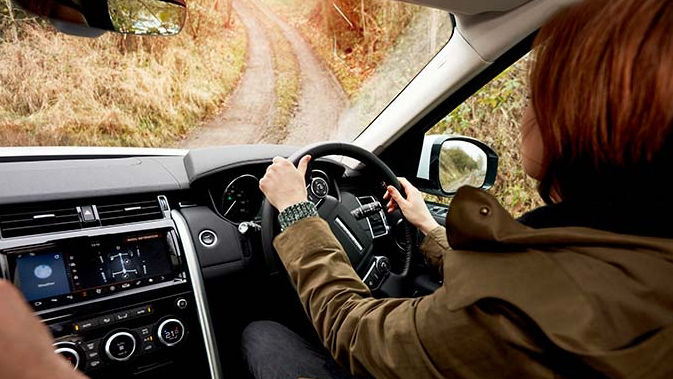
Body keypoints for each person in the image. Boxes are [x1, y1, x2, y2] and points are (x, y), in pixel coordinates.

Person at [245, 0, 673, 377]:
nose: (526, 110)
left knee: (260, 335)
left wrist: (298, 213)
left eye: (535, 95)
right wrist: (429, 228)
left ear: (575, 120)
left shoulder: (515, 312)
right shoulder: (630, 261)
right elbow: (513, 290)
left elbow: (353, 331)